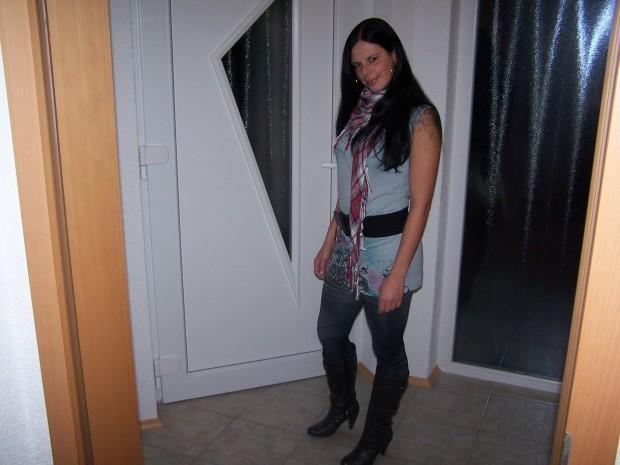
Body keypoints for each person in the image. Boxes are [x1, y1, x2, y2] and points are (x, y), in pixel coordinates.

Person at [306, 18, 442, 465]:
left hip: (388, 253)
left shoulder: (420, 118)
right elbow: (347, 188)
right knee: (329, 333)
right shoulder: (356, 112)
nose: (365, 71)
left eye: (373, 59)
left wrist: (397, 275)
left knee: (387, 351)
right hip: (347, 246)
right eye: (357, 64)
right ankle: (343, 404)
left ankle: (376, 435)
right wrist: (329, 241)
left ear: (394, 56)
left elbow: (420, 204)